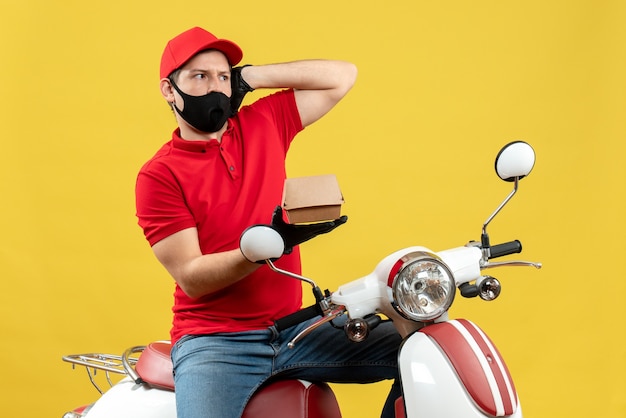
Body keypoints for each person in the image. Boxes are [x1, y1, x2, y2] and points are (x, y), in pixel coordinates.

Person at [135, 26, 402, 418]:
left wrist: (252, 77)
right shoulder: (159, 175)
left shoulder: (263, 121)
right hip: (215, 345)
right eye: (199, 76)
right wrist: (264, 247)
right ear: (168, 90)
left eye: (223, 77)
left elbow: (341, 76)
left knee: (425, 348)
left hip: (296, 332)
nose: (215, 87)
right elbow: (191, 275)